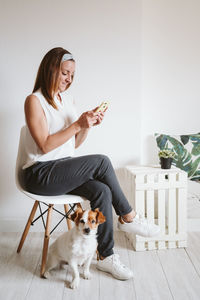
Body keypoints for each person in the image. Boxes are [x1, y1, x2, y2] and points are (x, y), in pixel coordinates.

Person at [21, 47, 160, 281]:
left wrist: (86, 126)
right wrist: (76, 124)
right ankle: (129, 218)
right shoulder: (34, 101)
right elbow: (44, 145)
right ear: (50, 69)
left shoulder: (66, 100)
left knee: (102, 190)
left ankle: (105, 257)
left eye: (72, 75)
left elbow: (72, 145)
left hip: (61, 168)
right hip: (39, 174)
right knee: (102, 162)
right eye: (65, 73)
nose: (69, 79)